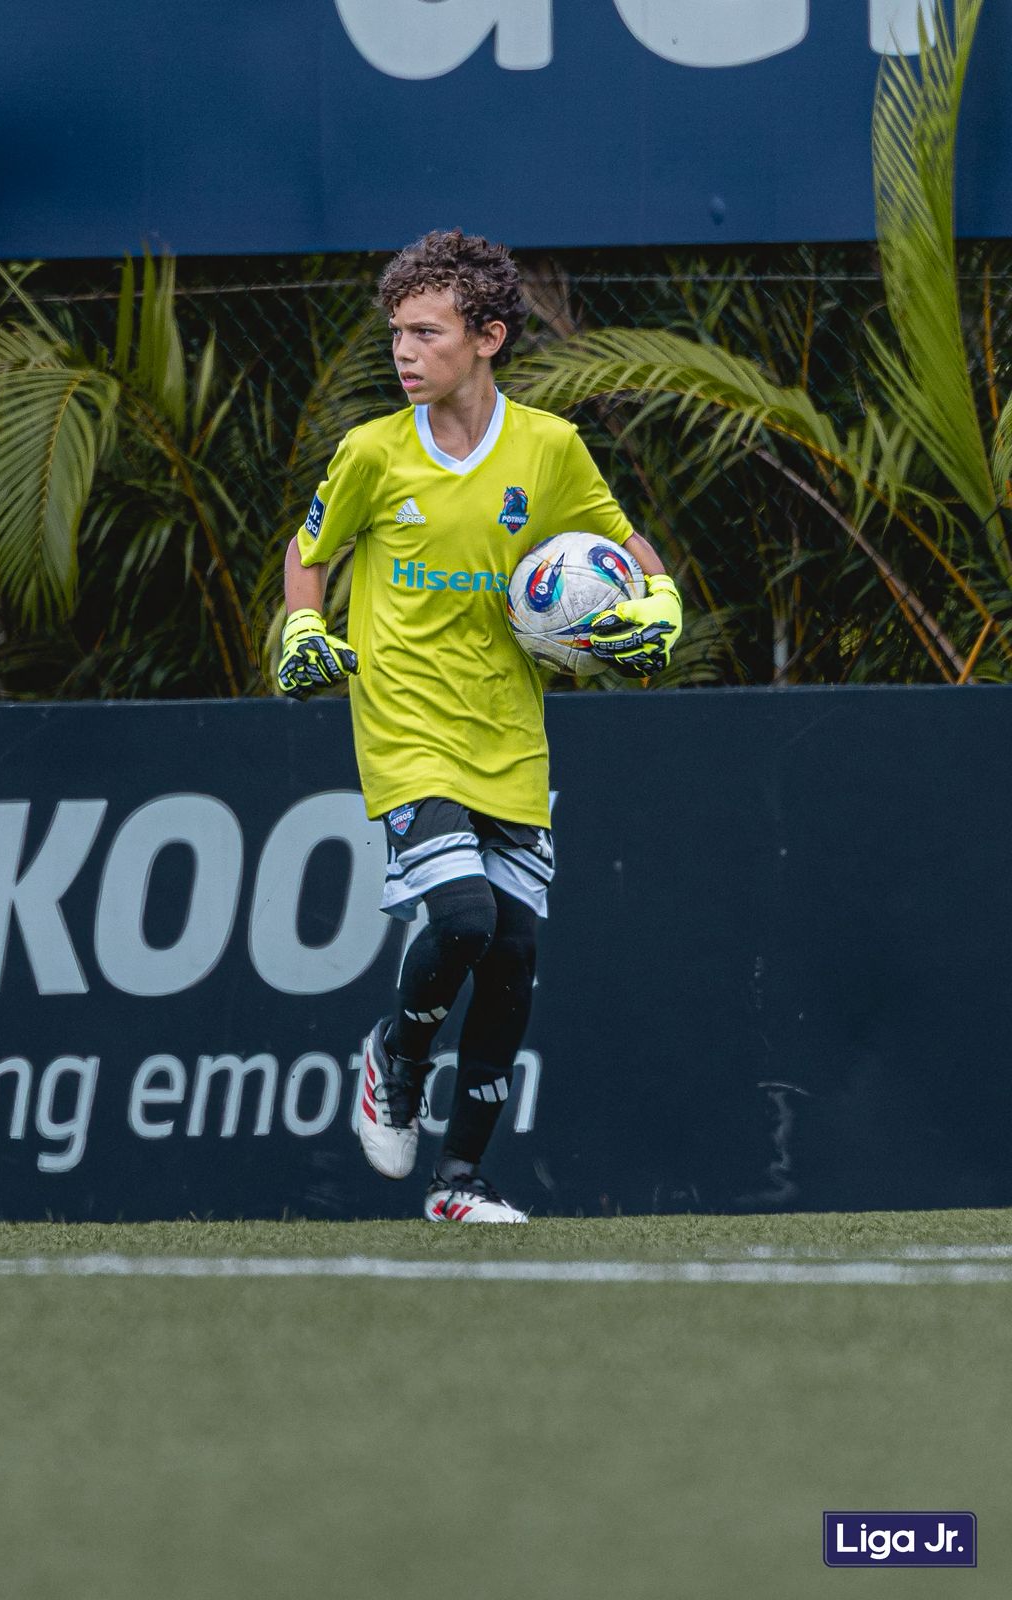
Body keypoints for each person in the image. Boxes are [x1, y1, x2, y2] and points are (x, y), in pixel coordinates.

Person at [276, 229, 681, 1223]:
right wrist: (299, 626)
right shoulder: (372, 451)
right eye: (395, 332)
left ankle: (459, 1180)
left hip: (508, 733)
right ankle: (395, 1054)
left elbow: (629, 550)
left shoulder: (546, 449)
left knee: (512, 956)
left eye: (426, 331)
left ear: (488, 335)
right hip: (406, 728)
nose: (402, 351)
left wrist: (658, 610)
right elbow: (308, 547)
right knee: (461, 918)